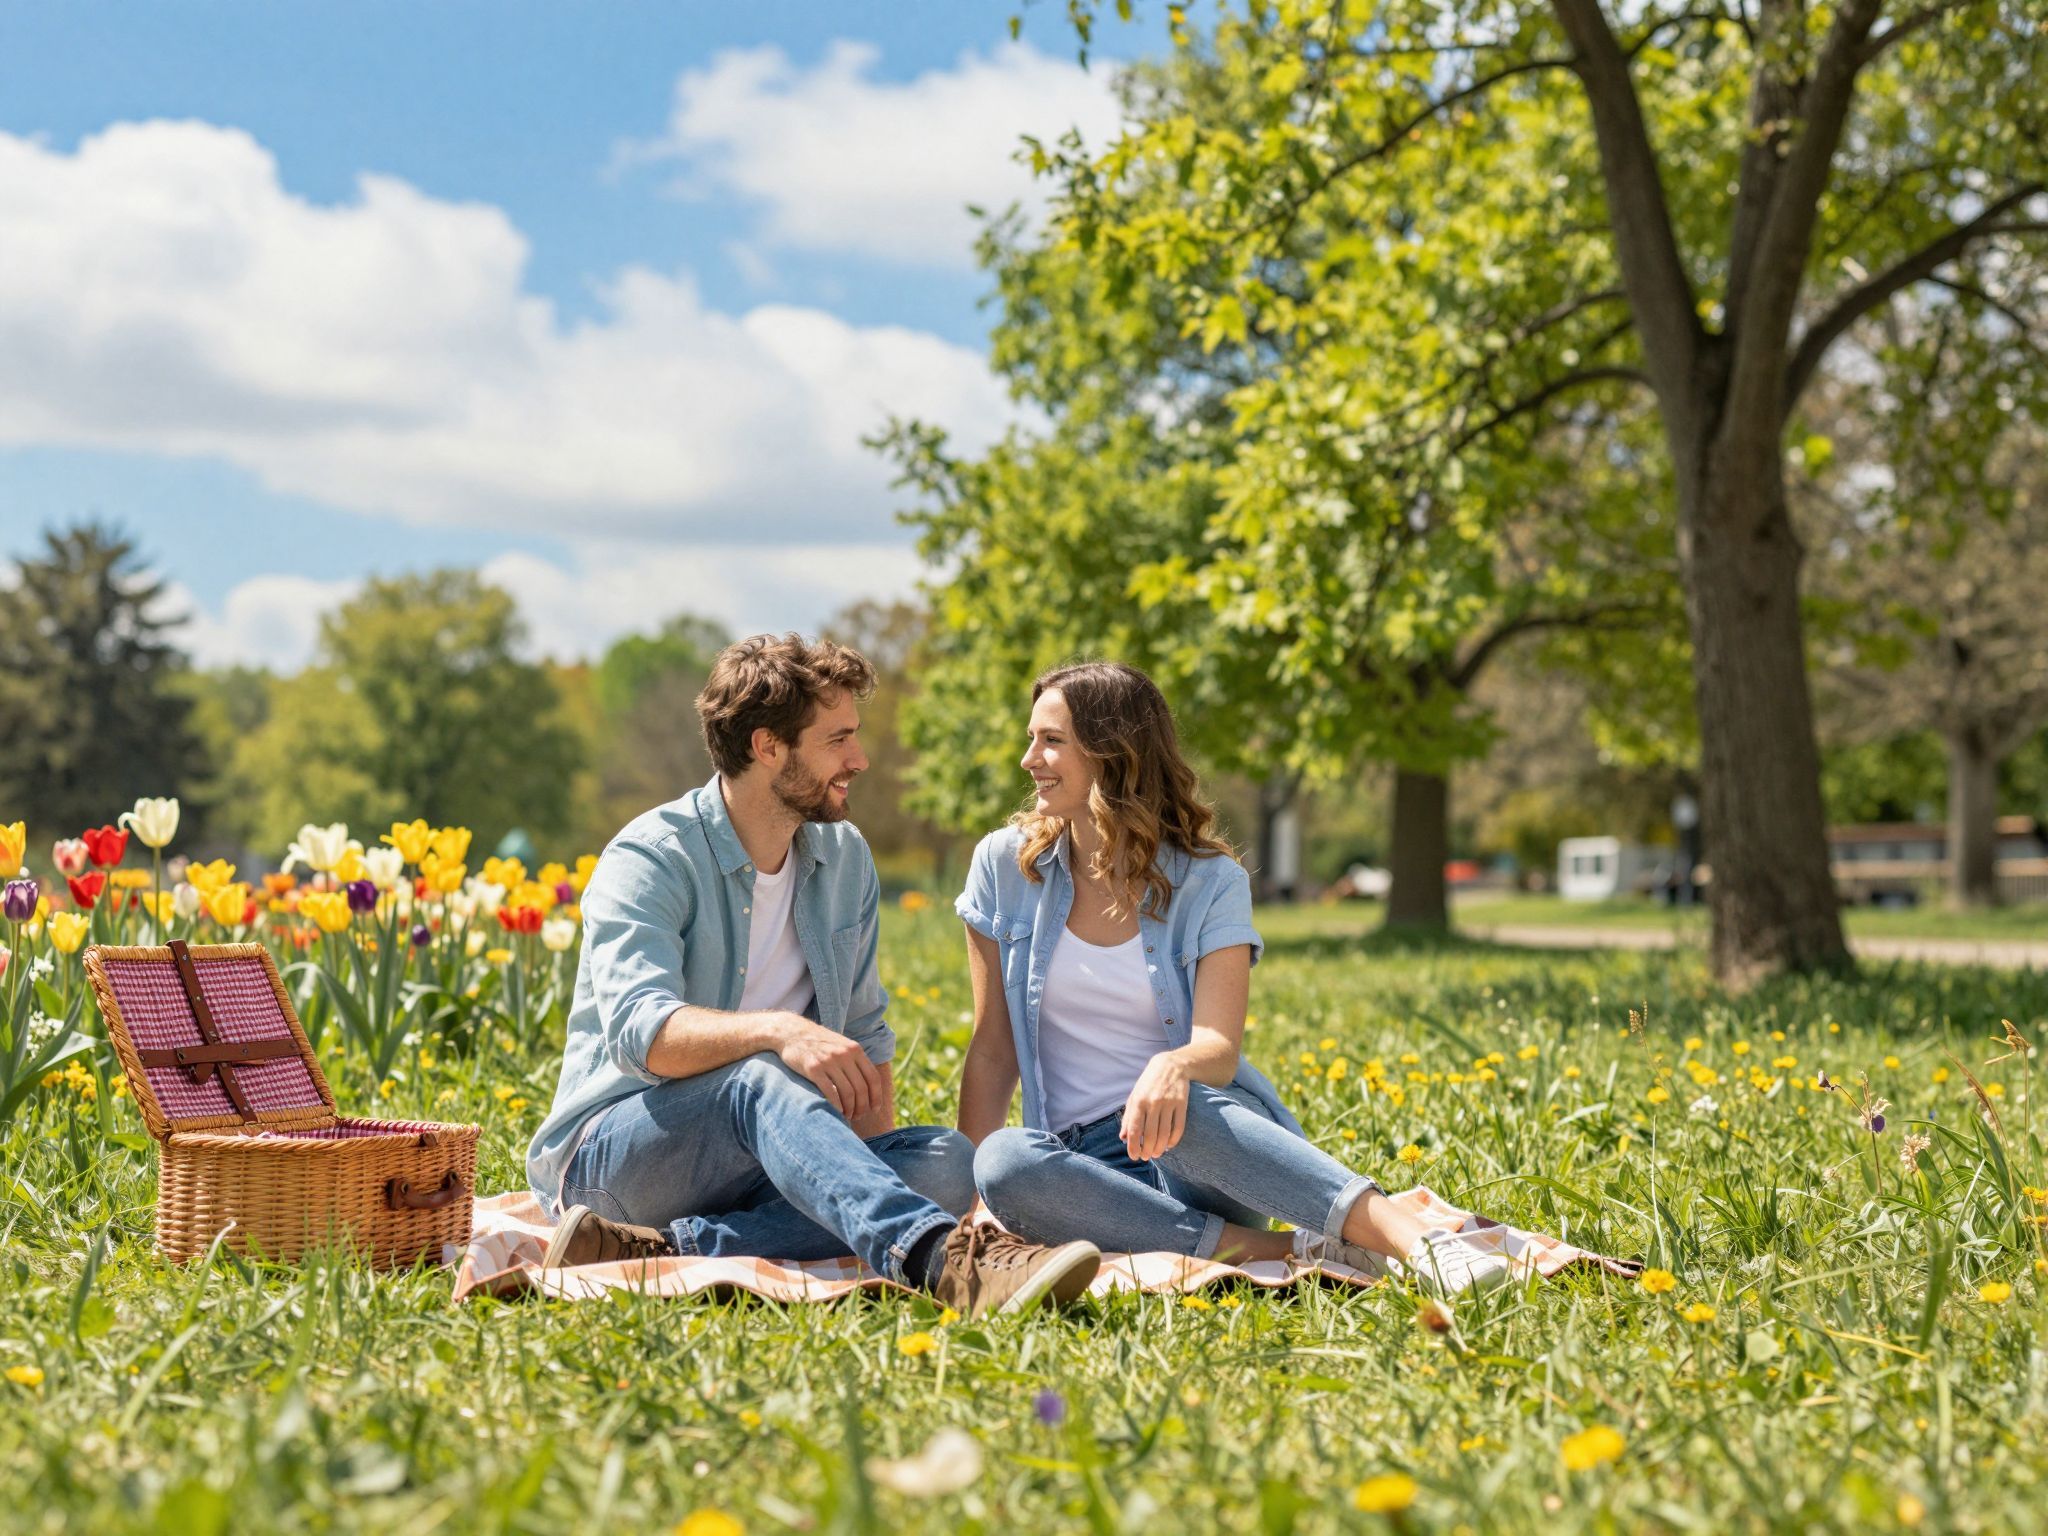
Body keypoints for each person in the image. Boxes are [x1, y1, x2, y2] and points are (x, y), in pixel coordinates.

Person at [527, 634, 1101, 1316]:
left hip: (765, 1161)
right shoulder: (651, 857)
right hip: (619, 1159)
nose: (858, 760)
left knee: (943, 1163)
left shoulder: (843, 857)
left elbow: (862, 1037)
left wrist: (873, 1167)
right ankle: (943, 1264)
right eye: (838, 740)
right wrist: (779, 1032)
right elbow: (642, 1034)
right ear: (769, 746)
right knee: (758, 1073)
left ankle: (648, 1249)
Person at [956, 661, 1508, 1295]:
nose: (1030, 759)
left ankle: (1422, 1243)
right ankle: (1283, 1246)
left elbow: (1217, 1049)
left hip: (1197, 1145)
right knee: (1001, 1161)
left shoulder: (1209, 880)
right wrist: (971, 1207)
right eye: (1032, 738)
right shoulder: (1004, 866)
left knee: (1181, 1109)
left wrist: (1174, 1067)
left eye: (1051, 740)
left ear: (1113, 751)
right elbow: (993, 1049)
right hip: (1086, 1178)